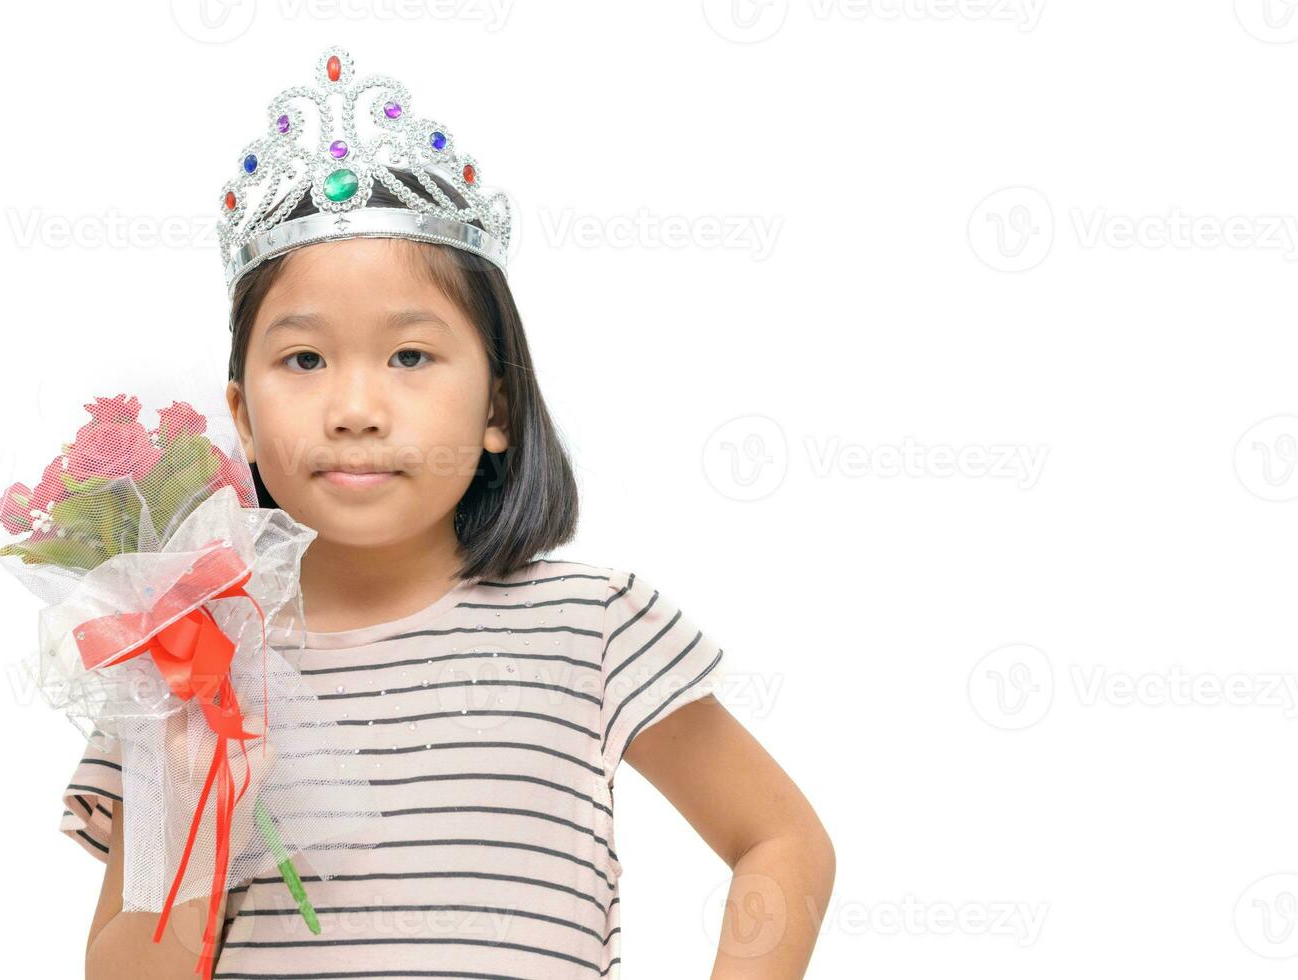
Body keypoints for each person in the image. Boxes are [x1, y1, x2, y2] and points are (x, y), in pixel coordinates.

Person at [61, 45, 834, 979]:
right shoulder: (188, 660)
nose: (355, 407)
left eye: (411, 357)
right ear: (244, 421)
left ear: (498, 407)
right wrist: (196, 808)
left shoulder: (591, 625)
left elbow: (780, 840)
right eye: (303, 361)